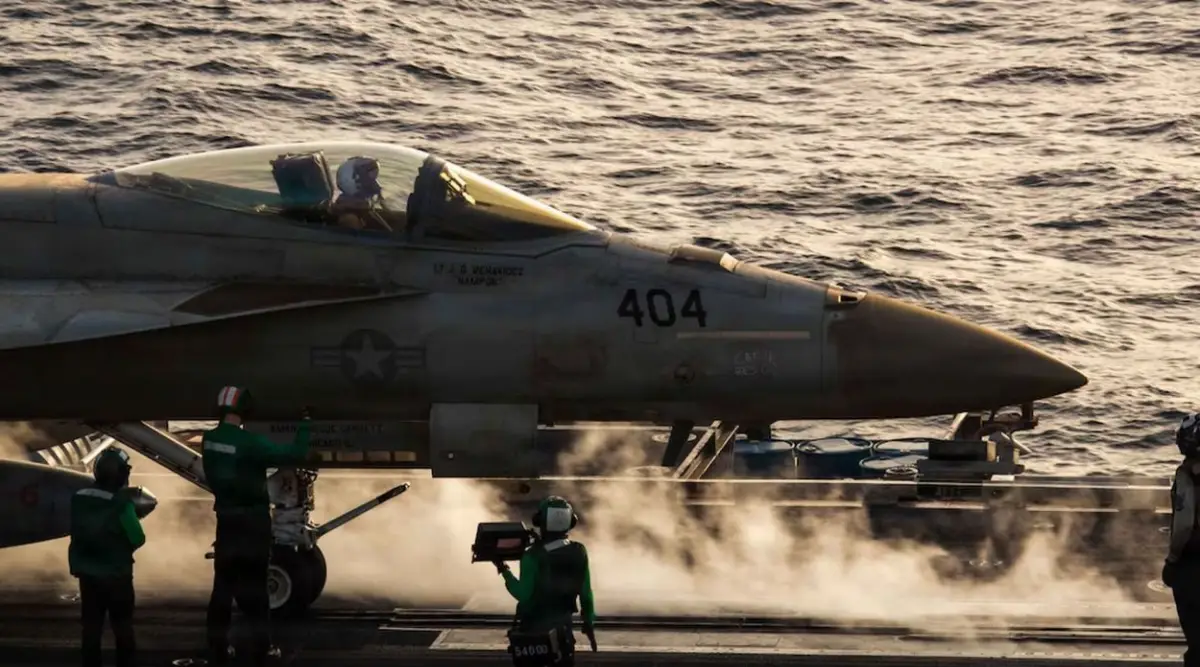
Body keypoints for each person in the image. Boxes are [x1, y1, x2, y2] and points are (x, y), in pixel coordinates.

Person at [201, 386, 312, 666]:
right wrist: (306, 424)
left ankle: (217, 647)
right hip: (253, 524)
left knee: (222, 589)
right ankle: (263, 648)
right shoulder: (250, 444)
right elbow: (295, 453)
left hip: (225, 522)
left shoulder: (208, 440)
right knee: (255, 590)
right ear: (246, 412)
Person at [494, 495, 596, 666]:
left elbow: (523, 594)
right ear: (571, 521)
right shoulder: (579, 551)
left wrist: (504, 570)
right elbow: (586, 593)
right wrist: (588, 623)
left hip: (533, 632)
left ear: (540, 521)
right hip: (563, 629)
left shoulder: (532, 555)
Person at [68, 447, 145, 667]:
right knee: (122, 628)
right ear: (120, 475)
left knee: (91, 628)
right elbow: (138, 538)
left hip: (88, 577)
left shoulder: (79, 498)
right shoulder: (121, 504)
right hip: (117, 576)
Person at [332, 156, 393, 232]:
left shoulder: (361, 207)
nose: (376, 185)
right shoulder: (350, 219)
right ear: (352, 181)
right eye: (370, 180)